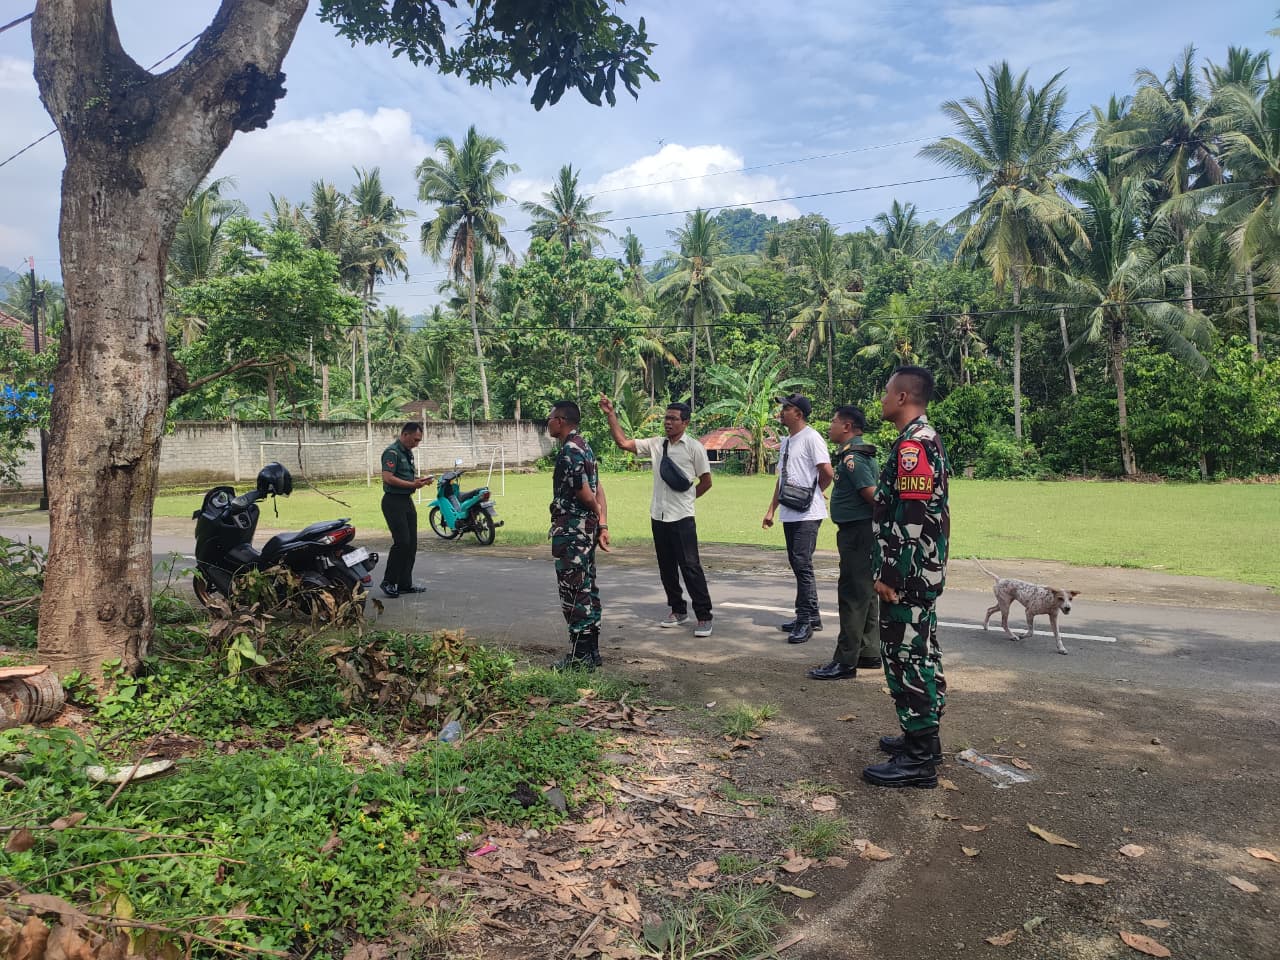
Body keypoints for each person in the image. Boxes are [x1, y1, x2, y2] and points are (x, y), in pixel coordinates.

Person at [862, 366, 951, 789]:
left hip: (909, 575)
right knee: (923, 652)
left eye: (885, 392)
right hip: (921, 571)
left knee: (908, 658)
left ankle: (919, 762)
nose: (881, 399)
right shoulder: (921, 438)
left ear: (901, 397)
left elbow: (912, 515)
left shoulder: (913, 444)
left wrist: (891, 574)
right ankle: (923, 742)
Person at [599, 395, 715, 637]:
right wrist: (610, 414)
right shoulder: (656, 444)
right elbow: (623, 443)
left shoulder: (694, 448)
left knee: (691, 568)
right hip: (658, 516)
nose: (668, 423)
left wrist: (688, 499)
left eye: (673, 419)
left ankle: (704, 616)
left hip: (682, 518)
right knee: (666, 568)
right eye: (666, 418)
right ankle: (678, 610)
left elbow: (706, 482)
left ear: (685, 422)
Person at [808, 406, 881, 680]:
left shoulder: (854, 458)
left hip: (857, 533)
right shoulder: (855, 455)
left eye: (834, 421)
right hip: (860, 531)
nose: (830, 425)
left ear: (848, 426)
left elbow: (872, 494)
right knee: (866, 592)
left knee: (852, 594)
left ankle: (845, 661)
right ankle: (869, 651)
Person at [761, 394, 833, 644]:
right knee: (797, 562)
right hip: (790, 511)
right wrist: (771, 510)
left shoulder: (812, 438)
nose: (782, 412)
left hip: (808, 512)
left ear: (799, 414)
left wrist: (815, 491)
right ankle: (812, 614)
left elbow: (827, 472)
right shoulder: (788, 441)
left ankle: (804, 620)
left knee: (802, 564)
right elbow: (782, 478)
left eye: (787, 408)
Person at [546, 400, 611, 670]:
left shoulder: (570, 451)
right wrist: (602, 523)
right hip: (585, 530)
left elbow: (586, 493)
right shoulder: (585, 447)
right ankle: (591, 652)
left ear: (560, 421)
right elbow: (599, 488)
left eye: (550, 418)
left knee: (574, 591)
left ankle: (580, 656)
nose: (547, 422)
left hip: (573, 530)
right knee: (587, 587)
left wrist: (594, 514)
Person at [379, 422, 434, 598]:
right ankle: (388, 581)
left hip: (406, 501)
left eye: (419, 441)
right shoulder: (392, 452)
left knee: (411, 544)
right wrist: (413, 484)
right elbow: (388, 478)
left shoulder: (407, 452)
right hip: (393, 502)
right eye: (415, 440)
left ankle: (404, 583)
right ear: (405, 434)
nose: (416, 444)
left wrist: (420, 480)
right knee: (402, 542)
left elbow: (405, 476)